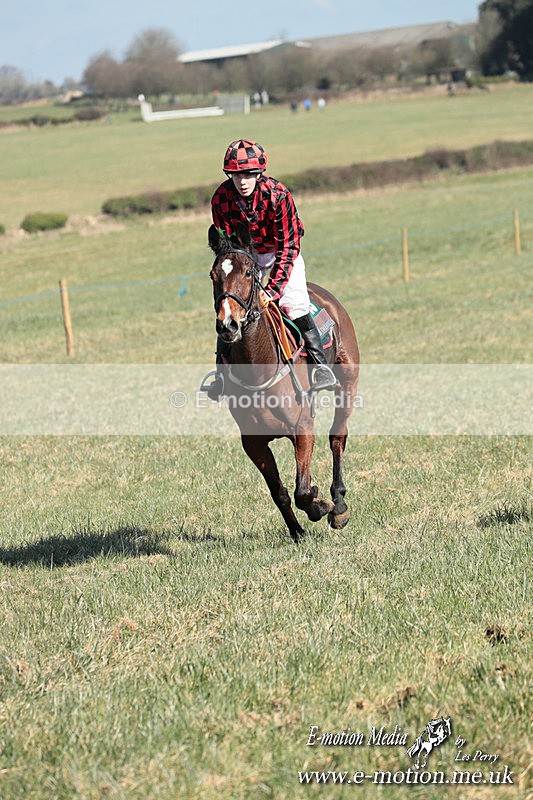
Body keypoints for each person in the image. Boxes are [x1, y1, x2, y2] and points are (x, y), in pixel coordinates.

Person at [204, 138, 337, 401]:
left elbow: (288, 247)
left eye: (248, 174)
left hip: (281, 253)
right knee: (230, 308)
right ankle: (221, 375)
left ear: (258, 173)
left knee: (294, 304)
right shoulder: (220, 199)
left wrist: (272, 290)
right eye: (235, 175)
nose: (242, 181)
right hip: (245, 258)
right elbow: (227, 245)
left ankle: (320, 367)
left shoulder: (278, 195)